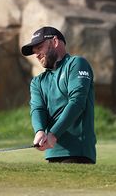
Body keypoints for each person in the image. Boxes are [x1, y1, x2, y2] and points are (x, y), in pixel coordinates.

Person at [21, 26, 96, 164]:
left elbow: (77, 102)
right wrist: (39, 131)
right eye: (34, 51)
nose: (36, 54)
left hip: (79, 152)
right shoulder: (38, 82)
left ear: (54, 42)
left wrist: (53, 134)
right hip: (52, 153)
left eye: (39, 47)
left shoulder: (77, 64)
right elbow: (38, 109)